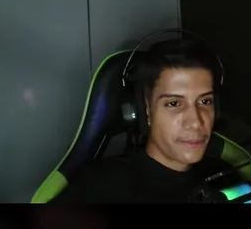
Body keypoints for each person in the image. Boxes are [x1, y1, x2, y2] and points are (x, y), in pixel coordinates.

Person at [53, 39, 238, 204]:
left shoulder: (224, 174)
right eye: (174, 103)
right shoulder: (102, 187)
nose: (196, 122)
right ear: (145, 110)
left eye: (205, 101)